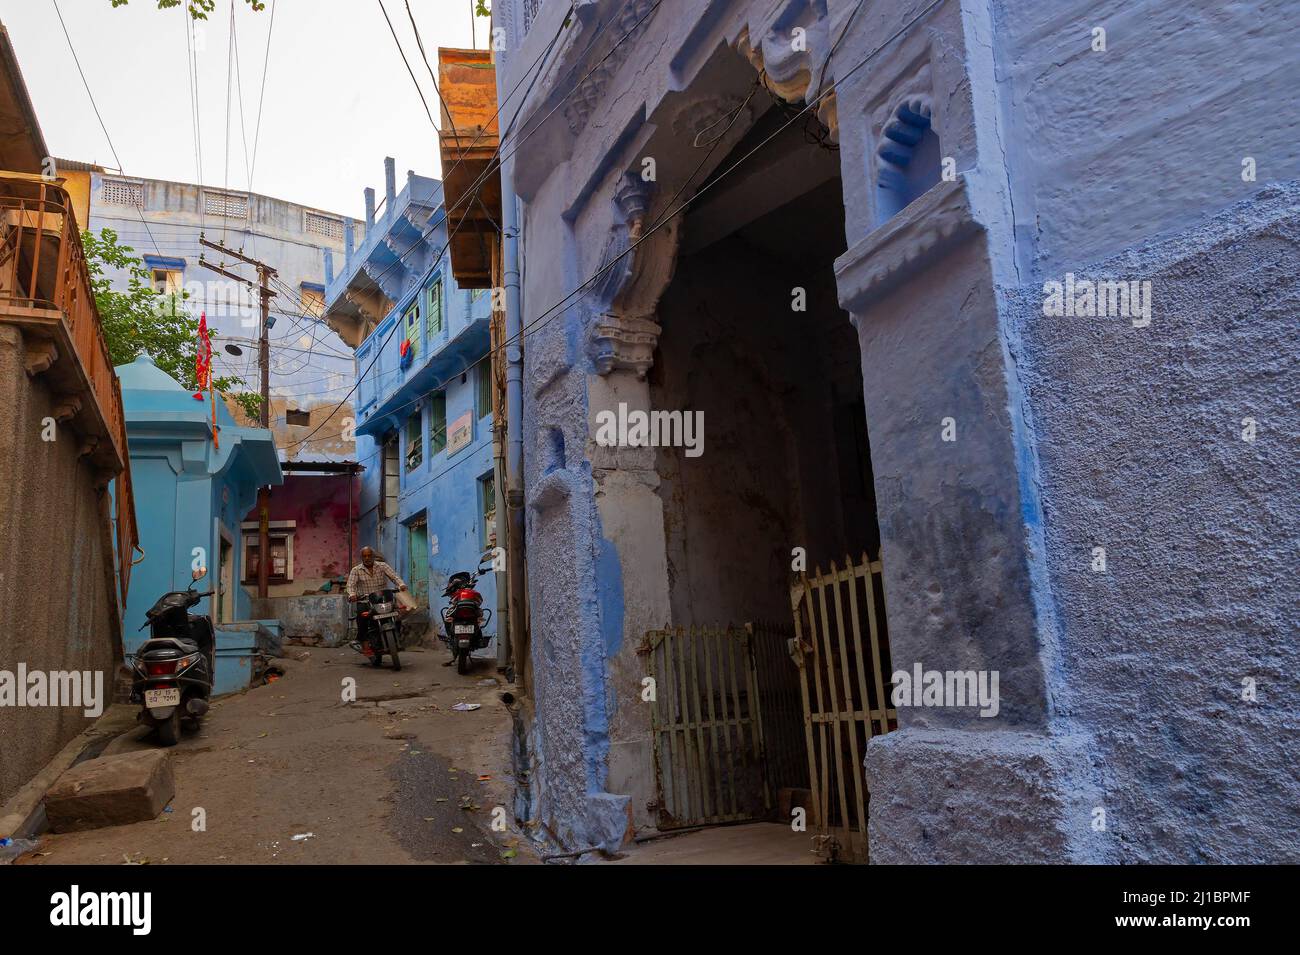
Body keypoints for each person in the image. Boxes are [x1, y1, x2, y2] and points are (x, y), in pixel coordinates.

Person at [346, 547, 407, 647]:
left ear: (373, 556)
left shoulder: (382, 566)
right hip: (365, 601)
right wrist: (352, 594)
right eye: (364, 556)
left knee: (397, 614)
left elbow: (394, 577)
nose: (367, 558)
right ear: (361, 558)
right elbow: (351, 585)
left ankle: (396, 638)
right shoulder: (356, 570)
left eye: (369, 555)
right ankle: (361, 639)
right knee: (361, 617)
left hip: (382, 599)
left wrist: (401, 585)